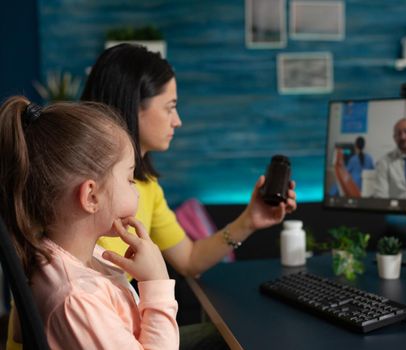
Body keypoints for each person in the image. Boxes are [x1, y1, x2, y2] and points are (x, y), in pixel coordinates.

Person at [80, 44, 297, 348]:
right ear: (133, 106)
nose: (177, 120)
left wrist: (250, 220)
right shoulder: (79, 192)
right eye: (170, 107)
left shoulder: (148, 187)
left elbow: (189, 260)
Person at [0, 97, 179, 349]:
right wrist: (156, 282)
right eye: (129, 179)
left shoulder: (72, 257)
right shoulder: (77, 299)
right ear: (91, 196)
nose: (137, 191)